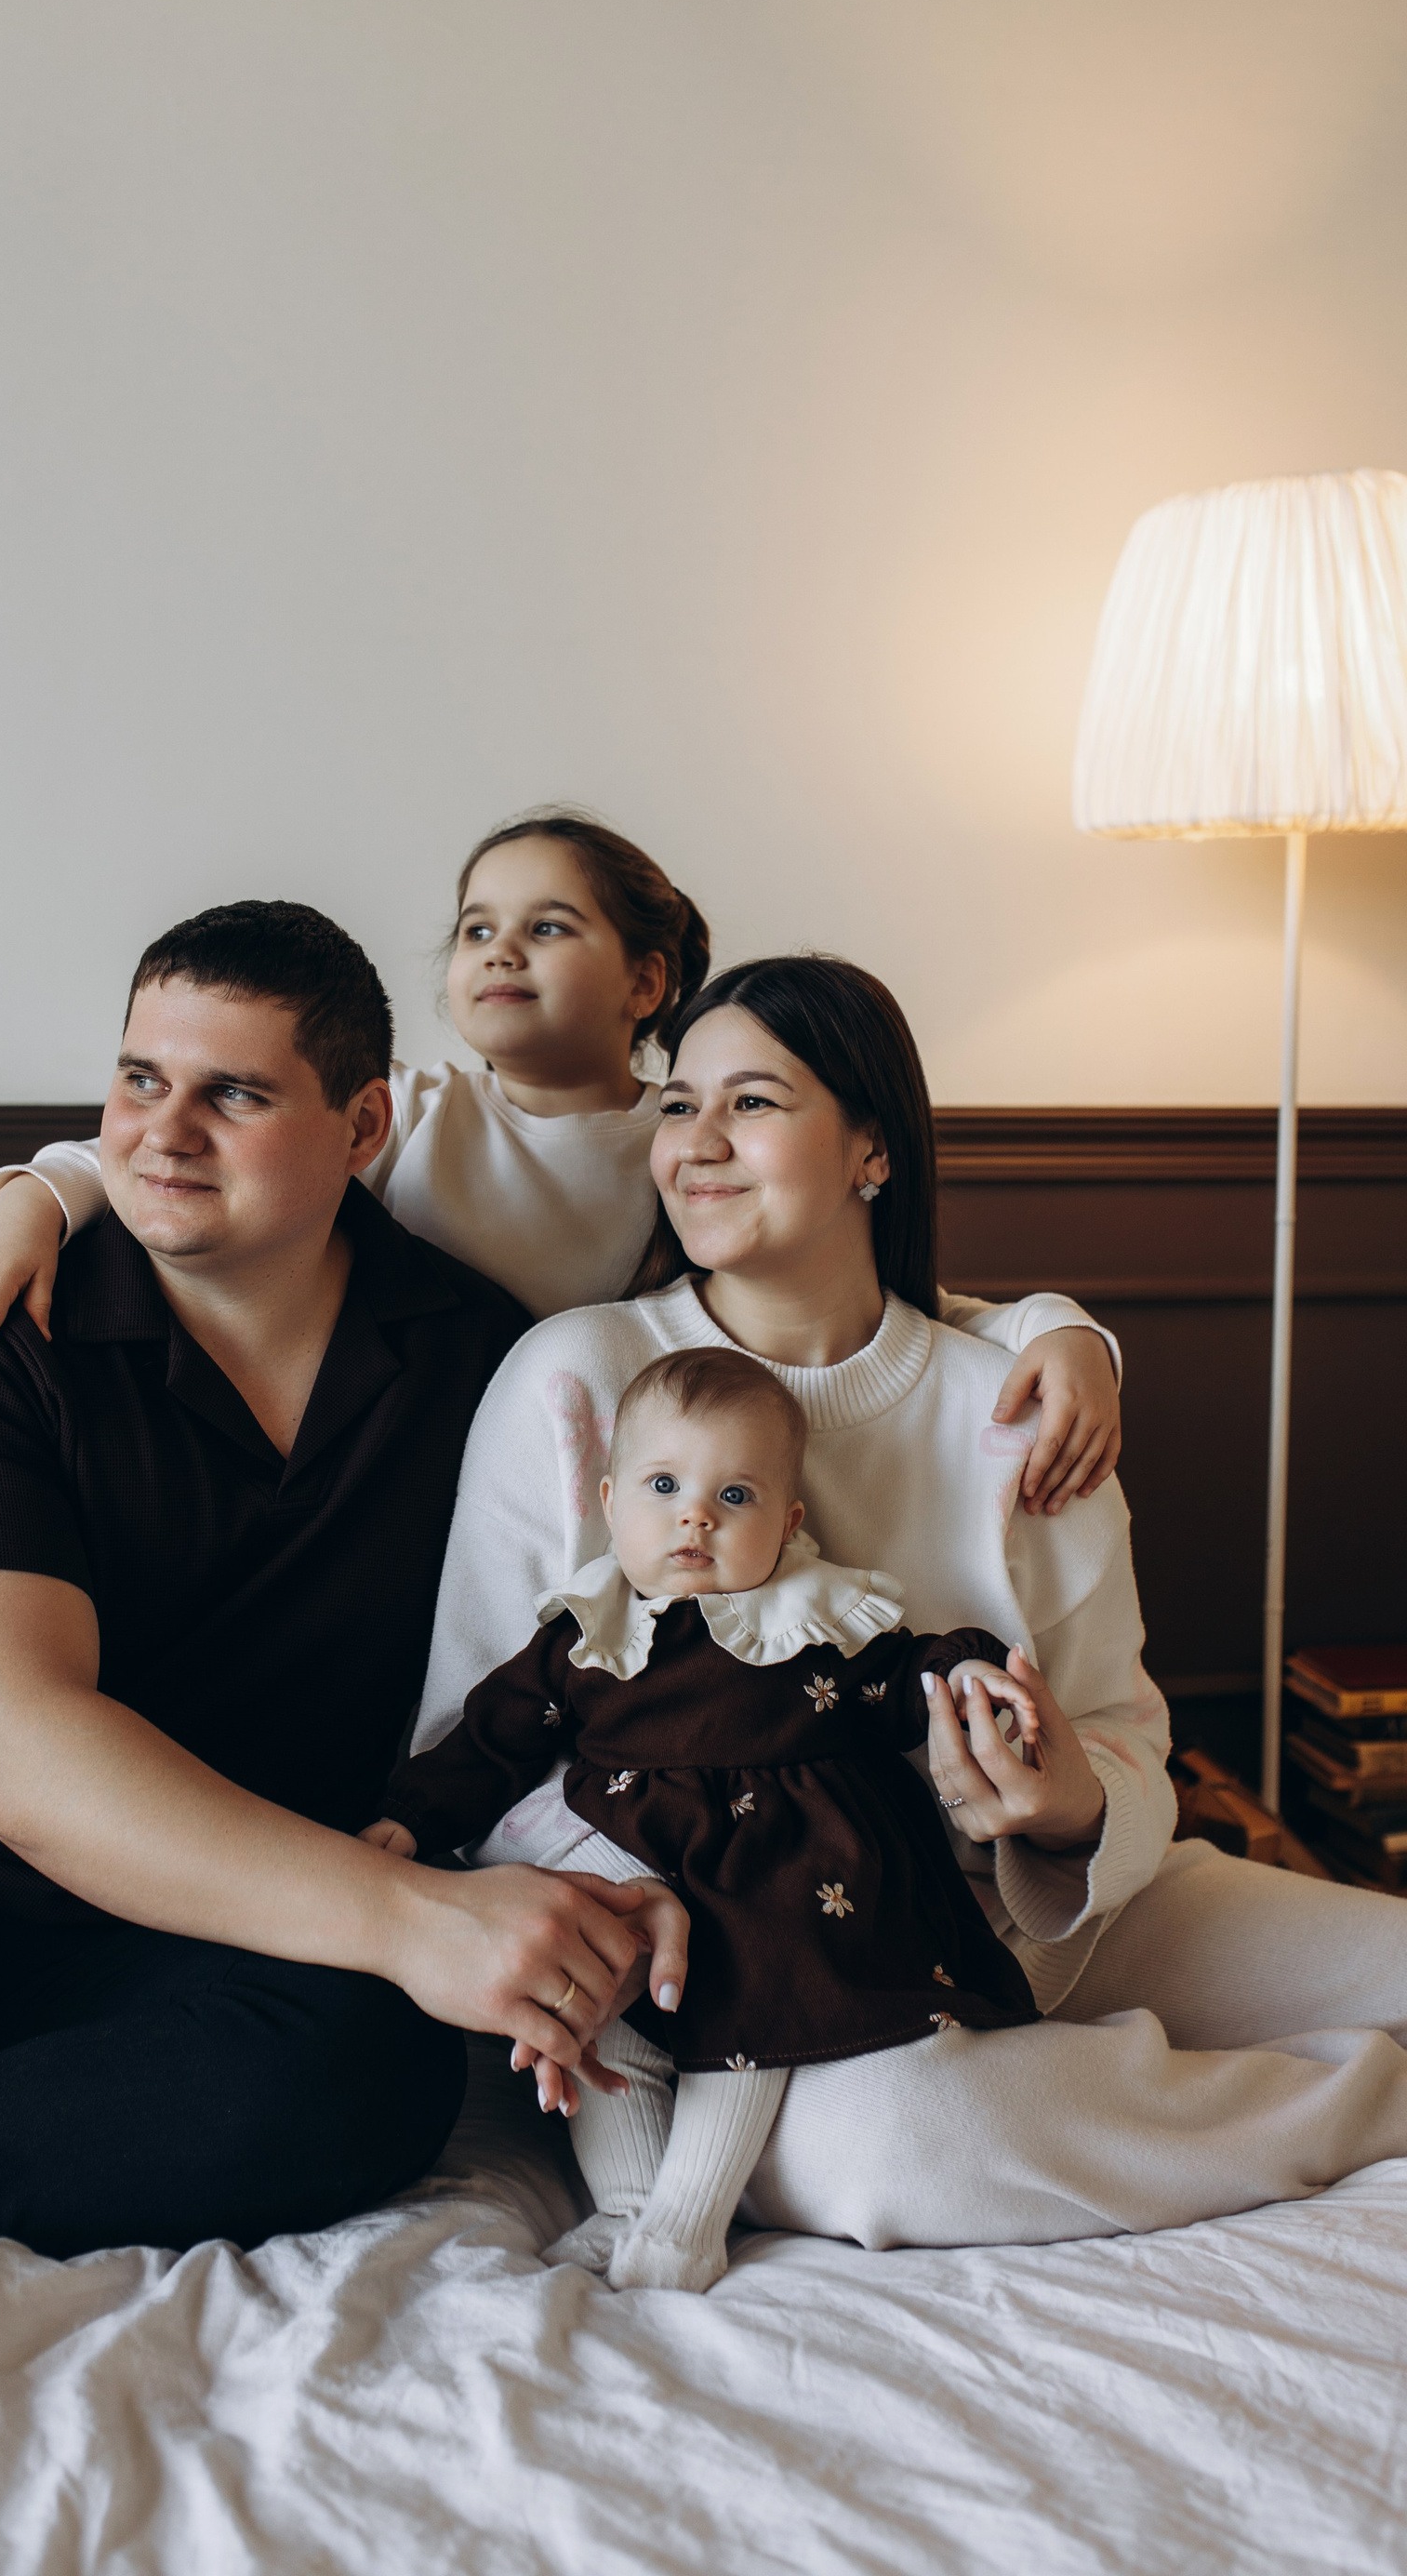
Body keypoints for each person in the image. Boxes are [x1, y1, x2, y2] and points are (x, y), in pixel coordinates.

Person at [0, 903, 688, 2258]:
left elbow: (603, 1608)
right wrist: (411, 1919)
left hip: (217, 1927)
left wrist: (625, 1866)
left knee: (367, 2066)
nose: (162, 1133)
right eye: (140, 1080)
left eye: (233, 1094)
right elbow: (10, 1756)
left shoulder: (482, 1364)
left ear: (363, 1127)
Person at [414, 952, 1407, 2251]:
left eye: (752, 1104)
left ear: (871, 1150)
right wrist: (639, 1894)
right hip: (756, 1977)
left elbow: (1125, 1731)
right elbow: (473, 1742)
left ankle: (1080, 2068)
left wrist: (1068, 1807)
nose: (696, 1143)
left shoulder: (1020, 1400)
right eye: (679, 1105)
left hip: (1045, 1918)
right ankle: (1352, 2106)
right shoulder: (579, 1377)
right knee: (913, 2146)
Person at [0, 811, 1125, 1518]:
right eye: (477, 925)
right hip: (416, 1474)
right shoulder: (412, 1115)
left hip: (621, 1479)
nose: (499, 950)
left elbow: (869, 1296)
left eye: (549, 926)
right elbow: (169, 1153)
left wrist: (1061, 1331)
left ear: (646, 981)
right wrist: (26, 1210)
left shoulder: (685, 1147)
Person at [364, 1346, 1041, 2291]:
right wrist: (407, 1820)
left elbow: (908, 1679)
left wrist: (968, 1671)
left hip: (791, 1882)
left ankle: (688, 2221)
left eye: (735, 1496)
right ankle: (627, 2206)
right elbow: (494, 1738)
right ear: (610, 1504)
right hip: (638, 1876)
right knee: (603, 2015)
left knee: (748, 1986)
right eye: (665, 1487)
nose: (696, 1516)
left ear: (788, 1523)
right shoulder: (586, 1635)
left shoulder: (815, 1623)